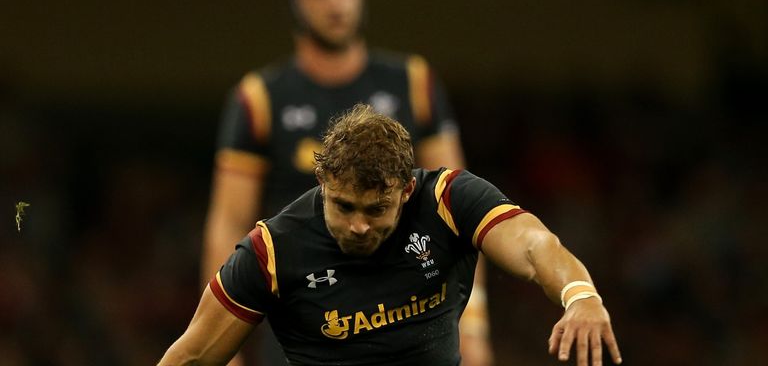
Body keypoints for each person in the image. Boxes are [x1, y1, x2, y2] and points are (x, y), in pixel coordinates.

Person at [200, 0, 491, 365]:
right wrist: (225, 341)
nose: (335, 4)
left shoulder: (412, 82)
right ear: (294, 6)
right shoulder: (260, 98)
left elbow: (460, 205)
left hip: (408, 305)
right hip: (301, 309)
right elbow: (228, 220)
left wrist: (474, 324)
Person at [160, 104, 622, 366]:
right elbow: (191, 357)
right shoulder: (272, 251)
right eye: (344, 206)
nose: (359, 225)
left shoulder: (449, 200)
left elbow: (534, 244)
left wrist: (580, 295)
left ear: (405, 191)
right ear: (323, 183)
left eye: (377, 209)